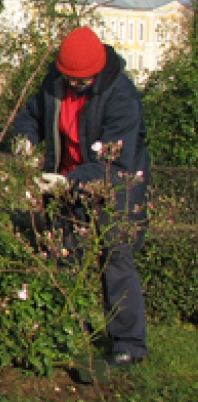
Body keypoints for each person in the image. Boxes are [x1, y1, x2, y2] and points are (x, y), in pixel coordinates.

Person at [13, 26, 149, 383]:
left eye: (82, 82)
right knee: (61, 252)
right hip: (65, 179)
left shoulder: (122, 97)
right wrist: (25, 139)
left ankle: (128, 345)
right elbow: (30, 114)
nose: (74, 86)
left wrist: (70, 180)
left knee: (114, 256)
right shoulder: (55, 80)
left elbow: (115, 164)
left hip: (114, 184)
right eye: (70, 80)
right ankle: (66, 327)